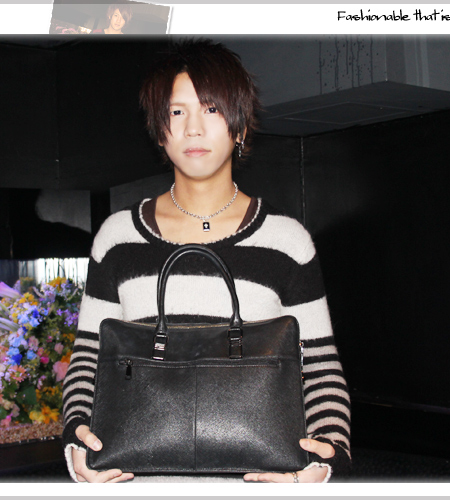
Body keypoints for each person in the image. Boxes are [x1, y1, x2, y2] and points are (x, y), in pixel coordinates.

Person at [62, 39, 351, 483]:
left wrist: (326, 458)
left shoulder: (287, 240)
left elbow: (319, 367)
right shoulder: (117, 238)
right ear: (159, 130)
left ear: (240, 127)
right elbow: (88, 358)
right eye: (177, 112)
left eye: (211, 109)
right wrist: (76, 440)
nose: (193, 129)